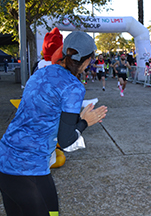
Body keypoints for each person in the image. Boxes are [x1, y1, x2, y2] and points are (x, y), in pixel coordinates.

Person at [0, 31, 107, 216]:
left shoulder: (42, 72)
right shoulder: (74, 87)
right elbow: (66, 141)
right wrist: (85, 122)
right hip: (27, 169)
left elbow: (44, 113)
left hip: (7, 158)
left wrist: (76, 118)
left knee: (52, 211)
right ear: (88, 59)